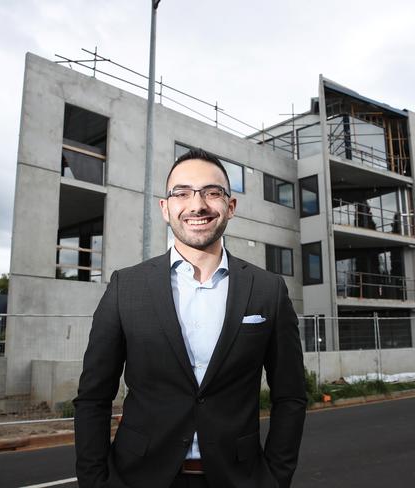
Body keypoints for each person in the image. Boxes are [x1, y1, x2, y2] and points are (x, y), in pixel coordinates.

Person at [74, 148, 307, 488]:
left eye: (211, 193)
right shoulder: (126, 286)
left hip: (238, 478)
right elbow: (93, 397)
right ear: (165, 209)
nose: (197, 205)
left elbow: (291, 396)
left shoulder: (268, 290)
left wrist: (275, 478)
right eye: (181, 193)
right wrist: (95, 482)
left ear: (230, 207)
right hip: (137, 477)